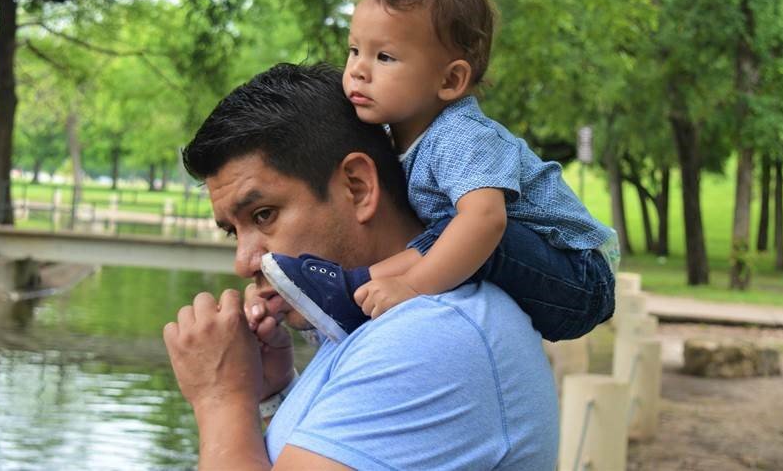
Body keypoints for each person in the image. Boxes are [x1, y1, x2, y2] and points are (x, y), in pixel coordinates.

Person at [163, 63, 559, 470]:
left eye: (264, 215)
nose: (244, 262)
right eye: (233, 231)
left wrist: (219, 398)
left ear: (358, 186)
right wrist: (271, 393)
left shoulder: (431, 334)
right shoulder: (383, 319)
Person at [265, 0, 619, 342]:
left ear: (450, 80)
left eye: (384, 57)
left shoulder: (461, 135)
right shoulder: (391, 135)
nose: (357, 71)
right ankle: (348, 293)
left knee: (477, 229)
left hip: (579, 278)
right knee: (445, 231)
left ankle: (355, 284)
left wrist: (413, 287)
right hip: (530, 269)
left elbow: (486, 221)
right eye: (354, 50)